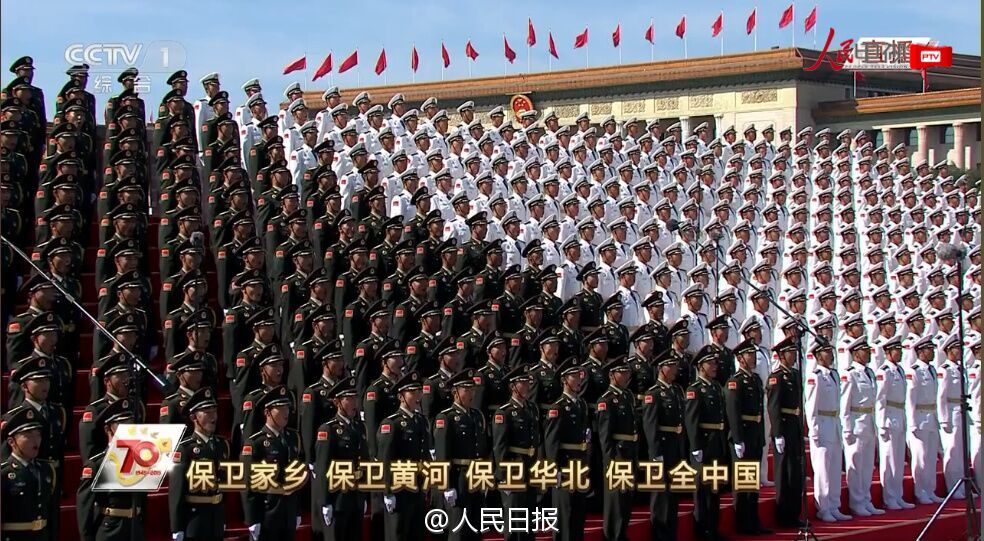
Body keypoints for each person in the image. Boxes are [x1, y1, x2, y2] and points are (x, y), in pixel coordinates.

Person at [242, 385, 304, 541]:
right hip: (267, 511)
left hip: (288, 511)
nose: (286, 412)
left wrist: (296, 511)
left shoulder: (293, 437)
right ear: (267, 412)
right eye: (280, 408)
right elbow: (248, 483)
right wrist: (252, 519)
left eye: (287, 407)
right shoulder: (255, 443)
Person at [724, 338, 771, 535]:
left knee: (752, 483)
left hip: (754, 433)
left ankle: (753, 519)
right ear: (740, 358)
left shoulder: (756, 379)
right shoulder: (735, 382)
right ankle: (743, 522)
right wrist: (737, 438)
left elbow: (760, 410)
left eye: (753, 353)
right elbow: (733, 412)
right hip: (742, 433)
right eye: (749, 354)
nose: (753, 357)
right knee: (743, 483)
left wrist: (760, 436)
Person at [433, 369, 487, 541]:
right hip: (458, 477)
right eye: (467, 389)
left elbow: (482, 448)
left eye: (473, 389)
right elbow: (442, 455)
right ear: (455, 392)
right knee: (458, 528)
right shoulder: (446, 418)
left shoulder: (477, 415)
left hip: (476, 475)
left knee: (475, 526)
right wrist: (446, 485)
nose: (472, 393)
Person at [169, 388, 228, 541]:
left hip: (216, 519)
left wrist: (223, 517)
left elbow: (225, 485)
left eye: (214, 411)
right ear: (194, 417)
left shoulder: (222, 445)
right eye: (207, 412)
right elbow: (177, 492)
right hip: (195, 520)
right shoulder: (185, 448)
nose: (213, 417)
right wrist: (177, 527)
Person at [313, 377, 367, 541]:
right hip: (338, 501)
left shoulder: (358, 426)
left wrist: (363, 495)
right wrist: (325, 502)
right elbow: (322, 468)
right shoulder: (329, 430)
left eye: (355, 398)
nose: (354, 403)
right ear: (337, 402)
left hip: (355, 499)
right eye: (348, 398)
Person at [684, 346, 730, 541]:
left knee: (714, 489)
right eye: (710, 363)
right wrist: (695, 447)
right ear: (700, 366)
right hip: (704, 444)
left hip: (716, 443)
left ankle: (713, 527)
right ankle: (703, 530)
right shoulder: (695, 390)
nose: (714, 366)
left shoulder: (716, 387)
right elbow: (692, 421)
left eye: (715, 363)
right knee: (702, 492)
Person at [377, 372, 430, 541]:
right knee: (399, 533)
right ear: (401, 396)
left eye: (419, 392)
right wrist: (387, 492)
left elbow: (425, 453)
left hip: (418, 486)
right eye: (412, 393)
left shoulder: (421, 420)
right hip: (400, 486)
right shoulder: (392, 424)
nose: (417, 396)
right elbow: (386, 459)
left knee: (417, 532)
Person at [803, 335, 850, 523]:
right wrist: (813, 430)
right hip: (822, 424)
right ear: (817, 355)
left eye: (830, 351)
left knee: (834, 468)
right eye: (826, 352)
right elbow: (810, 406)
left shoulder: (834, 374)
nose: (830, 355)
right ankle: (823, 507)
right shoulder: (815, 377)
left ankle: (834, 504)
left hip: (834, 423)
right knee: (823, 469)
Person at [641, 352, 687, 541]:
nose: (675, 370)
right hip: (662, 446)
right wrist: (655, 454)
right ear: (661, 369)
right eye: (671, 366)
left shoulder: (676, 391)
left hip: (674, 445)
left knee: (673, 492)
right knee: (660, 494)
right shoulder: (653, 394)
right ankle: (660, 533)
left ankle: (671, 531)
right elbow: (650, 427)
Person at [543, 358, 590, 541]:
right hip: (565, 465)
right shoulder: (558, 407)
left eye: (579, 375)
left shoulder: (581, 404)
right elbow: (551, 442)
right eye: (573, 376)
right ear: (564, 379)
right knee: (564, 515)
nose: (578, 379)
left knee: (578, 515)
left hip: (579, 465)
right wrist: (555, 469)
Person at [492, 365, 540, 541]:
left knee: (528, 515)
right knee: (514, 517)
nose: (527, 385)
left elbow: (536, 440)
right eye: (523, 382)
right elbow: (500, 447)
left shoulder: (532, 408)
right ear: (513, 387)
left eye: (528, 382)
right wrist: (504, 475)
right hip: (513, 467)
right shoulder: (504, 412)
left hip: (529, 466)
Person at [840, 336, 885, 516]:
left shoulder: (870, 373)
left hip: (868, 421)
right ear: (855, 353)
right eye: (864, 350)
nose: (868, 353)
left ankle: (866, 499)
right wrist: (847, 427)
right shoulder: (849, 374)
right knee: (856, 464)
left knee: (867, 466)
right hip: (856, 421)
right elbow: (845, 404)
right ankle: (856, 501)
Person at [766, 336, 808, 528]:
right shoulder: (777, 377)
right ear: (782, 355)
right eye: (791, 352)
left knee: (796, 472)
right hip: (784, 426)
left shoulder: (794, 374)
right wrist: (777, 433)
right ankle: (784, 515)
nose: (794, 355)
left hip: (795, 426)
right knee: (784, 473)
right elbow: (773, 408)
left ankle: (794, 512)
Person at [597, 356, 637, 541]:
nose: (628, 374)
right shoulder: (607, 400)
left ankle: (622, 532)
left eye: (628, 371)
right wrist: (610, 460)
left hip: (629, 451)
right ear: (612, 375)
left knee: (626, 497)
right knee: (615, 499)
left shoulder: (627, 395)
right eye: (623, 371)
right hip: (617, 453)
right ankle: (613, 535)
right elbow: (605, 435)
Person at [1, 405, 56, 539]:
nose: (35, 440)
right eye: (28, 436)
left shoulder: (46, 469)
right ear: (11, 442)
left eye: (38, 435)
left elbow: (52, 513)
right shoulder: (4, 473)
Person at [873, 335, 915, 509]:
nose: (899, 353)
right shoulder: (884, 372)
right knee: (889, 458)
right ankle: (889, 497)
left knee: (897, 460)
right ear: (888, 352)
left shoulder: (899, 370)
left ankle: (897, 495)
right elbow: (880, 399)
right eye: (896, 350)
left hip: (899, 415)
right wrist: (881, 423)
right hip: (889, 418)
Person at [906, 335, 944, 504]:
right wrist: (912, 422)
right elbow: (910, 398)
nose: (933, 353)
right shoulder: (914, 371)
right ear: (921, 352)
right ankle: (920, 490)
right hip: (920, 417)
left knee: (929, 457)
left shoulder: (932, 370)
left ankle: (930, 489)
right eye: (929, 350)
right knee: (921, 457)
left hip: (931, 417)